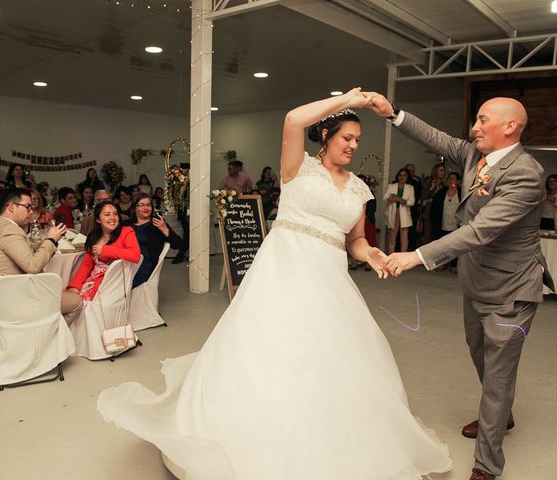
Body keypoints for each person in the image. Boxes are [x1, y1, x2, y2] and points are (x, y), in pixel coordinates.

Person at [97, 88, 452, 480]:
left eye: (357, 140)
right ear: (327, 136)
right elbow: (293, 120)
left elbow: (355, 240)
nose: (353, 145)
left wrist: (372, 254)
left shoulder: (358, 188)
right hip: (283, 271)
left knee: (329, 358)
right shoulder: (298, 167)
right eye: (347, 138)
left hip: (329, 280)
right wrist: (348, 100)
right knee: (271, 348)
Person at [367, 93, 554, 480]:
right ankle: (502, 414)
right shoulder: (474, 155)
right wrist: (394, 114)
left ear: (510, 127)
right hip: (477, 281)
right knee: (480, 354)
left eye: (483, 120)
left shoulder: (526, 173)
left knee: (499, 373)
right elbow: (436, 138)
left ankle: (487, 464)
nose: (474, 128)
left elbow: (480, 230)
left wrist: (416, 256)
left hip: (511, 289)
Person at [0, 188, 82, 328]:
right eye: (28, 206)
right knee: (76, 302)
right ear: (12, 207)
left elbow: (21, 252)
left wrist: (45, 242)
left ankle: (38, 336)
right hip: (12, 303)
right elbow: (33, 266)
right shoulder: (10, 230)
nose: (31, 211)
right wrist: (51, 240)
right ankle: (46, 340)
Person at [65, 201, 141, 302]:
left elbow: (135, 256)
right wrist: (74, 287)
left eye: (115, 214)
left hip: (110, 285)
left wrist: (105, 250)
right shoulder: (93, 237)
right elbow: (87, 265)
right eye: (107, 214)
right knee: (64, 299)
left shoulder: (126, 232)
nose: (113, 218)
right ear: (98, 219)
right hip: (92, 282)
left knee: (73, 305)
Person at [123, 193, 183, 288]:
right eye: (141, 205)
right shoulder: (127, 224)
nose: (145, 208)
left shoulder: (157, 223)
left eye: (148, 205)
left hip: (145, 263)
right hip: (127, 261)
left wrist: (164, 229)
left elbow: (178, 244)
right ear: (135, 208)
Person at [430, 172, 462, 273]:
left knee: (455, 245)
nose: (450, 180)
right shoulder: (441, 192)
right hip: (442, 223)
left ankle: (454, 265)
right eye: (449, 178)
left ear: (458, 181)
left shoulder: (461, 193)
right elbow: (434, 207)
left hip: (456, 224)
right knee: (441, 245)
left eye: (453, 178)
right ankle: (440, 263)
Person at [384, 168, 416, 254]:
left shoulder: (410, 188)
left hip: (404, 215)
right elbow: (386, 197)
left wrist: (397, 198)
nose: (402, 177)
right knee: (392, 238)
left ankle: (403, 260)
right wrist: (401, 200)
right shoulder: (391, 186)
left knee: (404, 239)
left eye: (404, 175)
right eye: (400, 175)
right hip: (393, 213)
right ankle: (390, 259)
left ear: (407, 177)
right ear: (398, 176)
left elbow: (411, 202)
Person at [420, 162, 446, 244]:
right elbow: (423, 197)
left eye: (444, 170)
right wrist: (432, 187)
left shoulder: (445, 183)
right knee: (429, 230)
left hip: (442, 209)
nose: (443, 172)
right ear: (436, 172)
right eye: (441, 170)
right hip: (430, 208)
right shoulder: (429, 182)